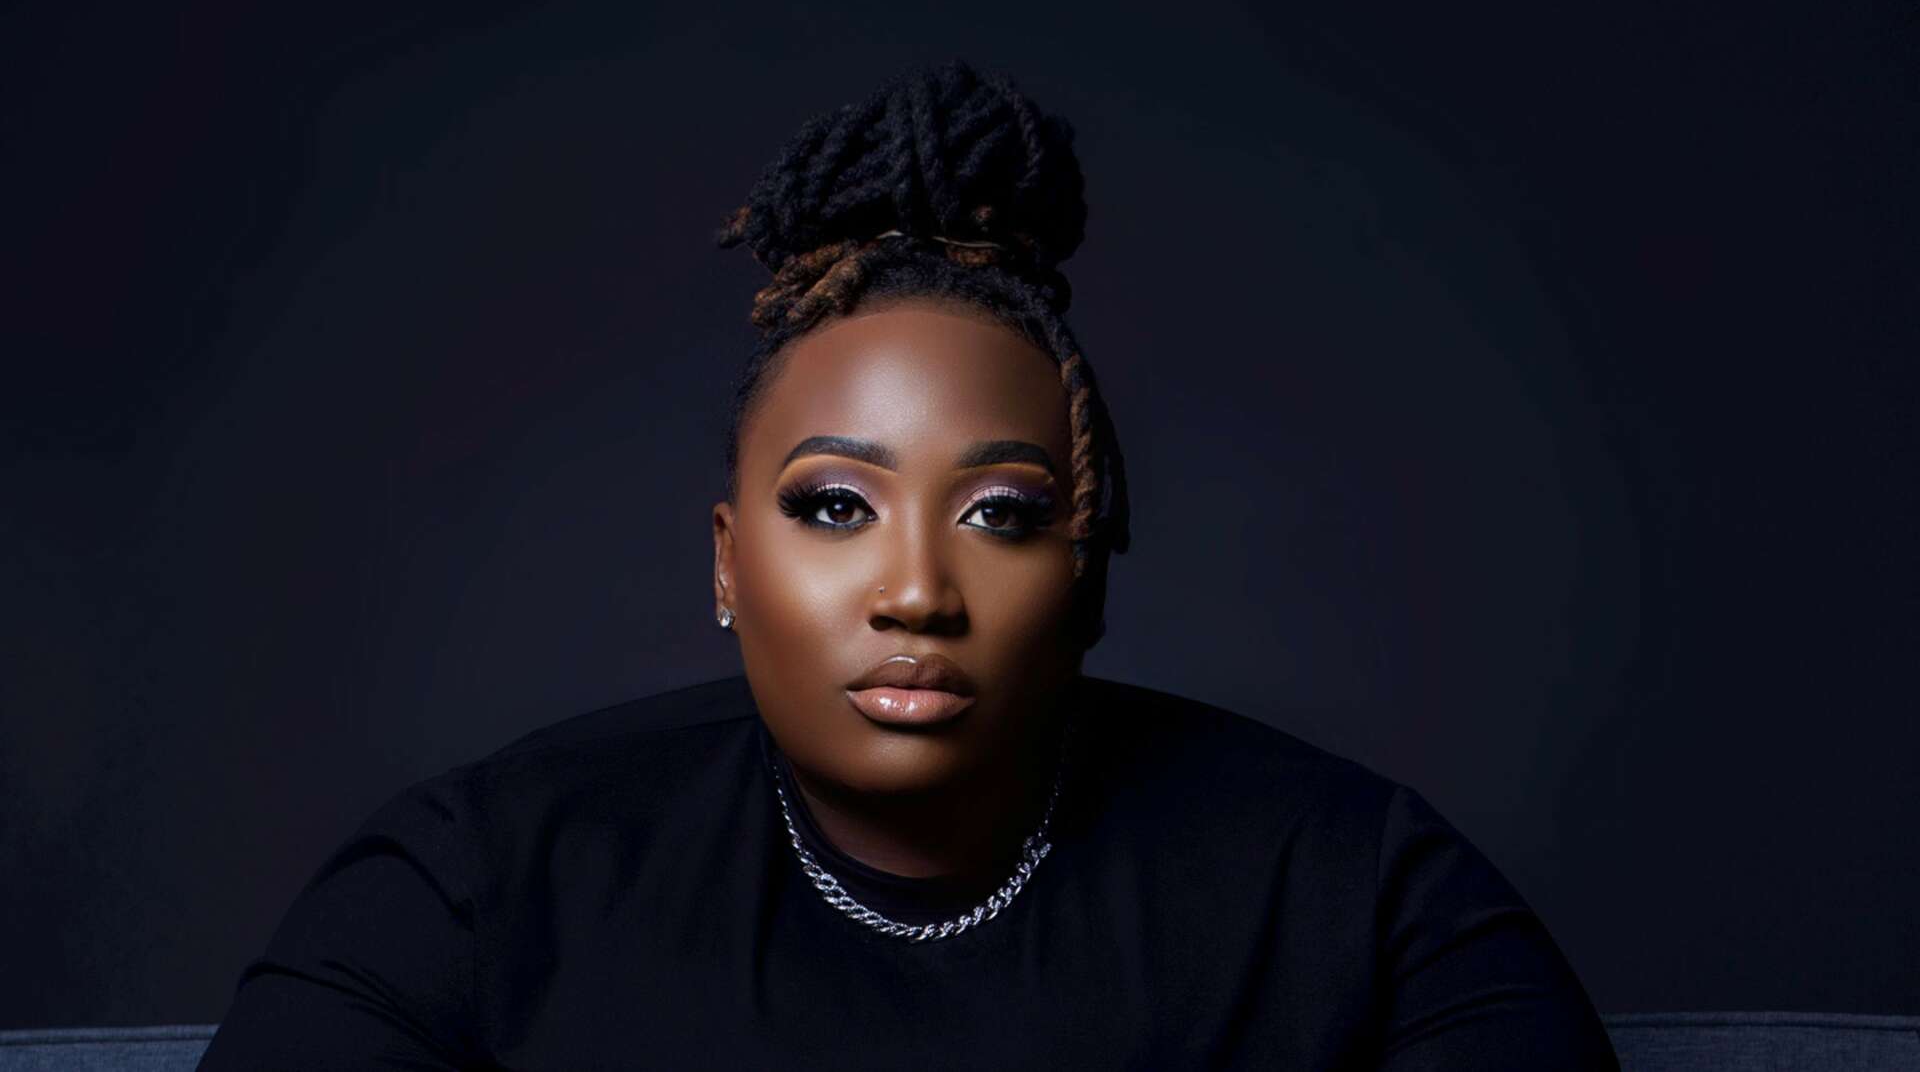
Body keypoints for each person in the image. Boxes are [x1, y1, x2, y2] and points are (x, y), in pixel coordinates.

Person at [197, 59, 1619, 1070]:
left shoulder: (1360, 895)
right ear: (726, 563)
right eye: (834, 507)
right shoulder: (475, 884)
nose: (918, 591)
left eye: (1002, 514)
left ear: (1090, 570)